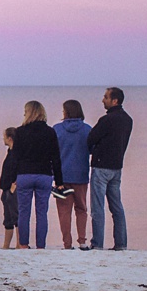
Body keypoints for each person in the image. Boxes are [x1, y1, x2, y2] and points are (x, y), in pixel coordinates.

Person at [10, 101, 65, 249]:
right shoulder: (50, 132)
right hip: (44, 175)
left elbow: (15, 157)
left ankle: (23, 244)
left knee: (24, 212)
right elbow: (56, 158)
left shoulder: (19, 132)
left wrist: (12, 178)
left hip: (25, 174)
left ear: (28, 113)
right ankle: (41, 246)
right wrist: (59, 181)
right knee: (42, 213)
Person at [87, 86, 133, 251]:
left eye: (105, 97)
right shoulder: (128, 119)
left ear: (115, 100)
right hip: (116, 166)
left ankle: (97, 243)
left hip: (101, 166)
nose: (102, 100)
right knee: (117, 207)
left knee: (98, 207)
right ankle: (121, 244)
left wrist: (94, 149)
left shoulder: (107, 120)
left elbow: (91, 138)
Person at [52, 100, 93, 250]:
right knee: (81, 209)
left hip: (62, 176)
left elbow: (52, 153)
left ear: (66, 112)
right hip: (81, 175)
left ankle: (67, 244)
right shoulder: (87, 130)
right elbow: (92, 149)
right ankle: (82, 241)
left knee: (64, 212)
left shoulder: (57, 129)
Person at [0, 127, 19, 249]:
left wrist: (14, 185)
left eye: (4, 136)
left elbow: (17, 168)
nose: (3, 139)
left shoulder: (16, 153)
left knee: (16, 216)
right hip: (5, 188)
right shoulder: (10, 152)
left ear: (10, 138)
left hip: (11, 188)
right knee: (8, 219)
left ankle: (19, 244)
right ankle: (6, 245)